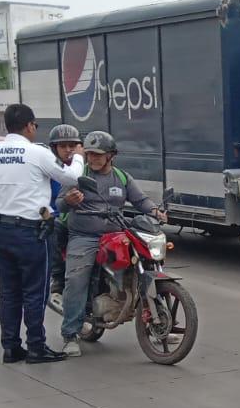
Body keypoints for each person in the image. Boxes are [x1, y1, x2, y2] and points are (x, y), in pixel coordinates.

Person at [0, 104, 83, 364]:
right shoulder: (37, 153)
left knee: (10, 290)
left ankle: (11, 346)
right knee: (35, 291)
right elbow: (70, 177)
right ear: (30, 126)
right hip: (31, 231)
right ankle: (37, 346)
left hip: (0, 229)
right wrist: (78, 156)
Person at [56, 130, 163, 357]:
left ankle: (157, 323)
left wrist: (155, 211)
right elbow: (60, 205)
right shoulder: (77, 176)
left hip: (116, 233)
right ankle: (70, 335)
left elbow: (140, 200)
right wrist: (68, 200)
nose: (93, 158)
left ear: (111, 155)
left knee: (146, 265)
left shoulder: (122, 177)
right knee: (76, 278)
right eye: (90, 154)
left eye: (98, 154)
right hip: (84, 236)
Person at [44, 124, 82, 301]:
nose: (68, 150)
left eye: (72, 146)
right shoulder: (49, 169)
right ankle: (58, 277)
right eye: (63, 146)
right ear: (54, 148)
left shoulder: (87, 166)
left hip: (85, 218)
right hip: (58, 216)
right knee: (55, 229)